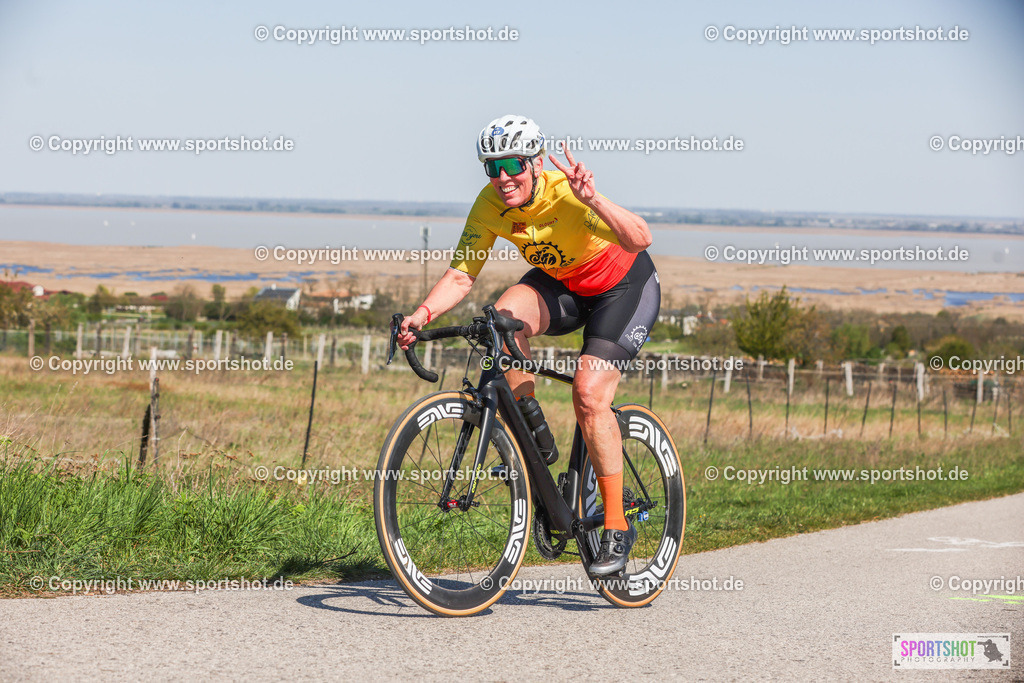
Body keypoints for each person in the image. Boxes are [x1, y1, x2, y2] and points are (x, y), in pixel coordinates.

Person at [396, 115, 660, 575]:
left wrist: (592, 198)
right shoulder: (490, 203)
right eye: (491, 167)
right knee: (500, 322)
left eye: (512, 164)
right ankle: (535, 442)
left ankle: (616, 525)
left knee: (588, 394)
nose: (502, 178)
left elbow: (641, 238)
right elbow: (461, 274)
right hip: (563, 286)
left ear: (535, 162)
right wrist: (421, 315)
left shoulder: (568, 192)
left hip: (622, 289)